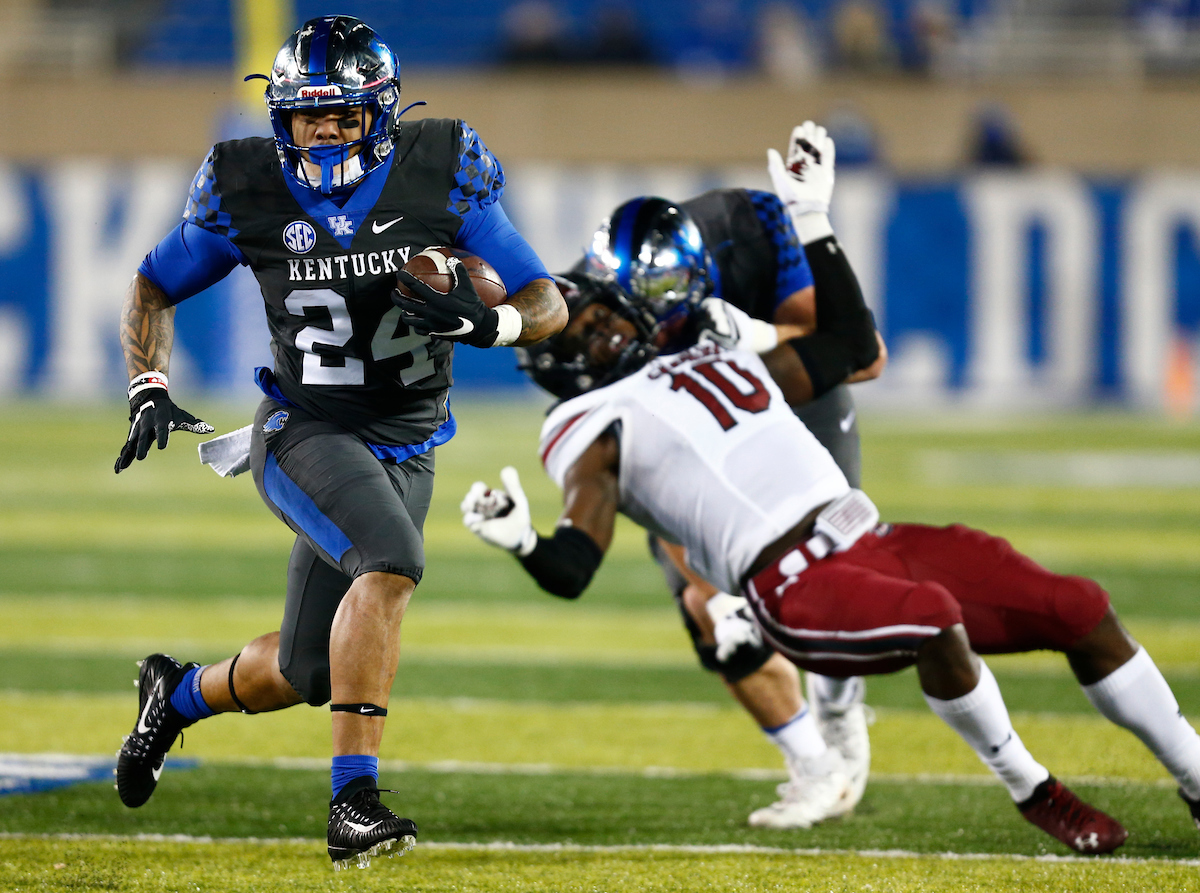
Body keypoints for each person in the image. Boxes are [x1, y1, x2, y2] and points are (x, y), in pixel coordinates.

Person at [460, 273, 1200, 853]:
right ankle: (1035, 789)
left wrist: (813, 222)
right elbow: (574, 567)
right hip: (793, 584)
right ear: (555, 363)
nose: (606, 331)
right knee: (935, 617)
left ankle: (1196, 777)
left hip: (871, 537)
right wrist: (526, 541)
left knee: (1078, 606)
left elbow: (853, 345)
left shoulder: (709, 355)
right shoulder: (586, 427)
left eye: (602, 315)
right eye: (584, 333)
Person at [111, 16, 566, 871]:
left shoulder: (443, 164)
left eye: (342, 115)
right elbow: (153, 281)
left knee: (306, 670)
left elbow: (547, 298)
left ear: (379, 113)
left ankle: (174, 694)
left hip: (408, 442)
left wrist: (491, 322)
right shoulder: (245, 182)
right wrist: (148, 384)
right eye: (306, 115)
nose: (322, 132)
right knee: (390, 561)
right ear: (280, 117)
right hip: (305, 428)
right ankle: (353, 801)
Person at [574, 121, 885, 826]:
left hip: (792, 394)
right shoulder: (596, 327)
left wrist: (757, 339)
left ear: (701, 276)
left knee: (833, 579)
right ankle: (812, 766)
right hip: (691, 426)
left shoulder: (753, 229)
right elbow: (638, 477)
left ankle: (840, 704)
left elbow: (864, 356)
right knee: (708, 609)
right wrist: (713, 589)